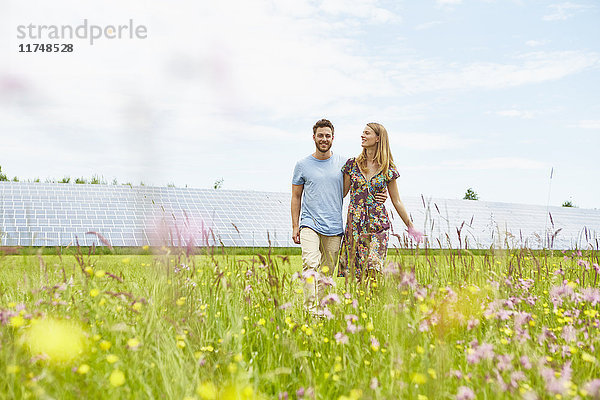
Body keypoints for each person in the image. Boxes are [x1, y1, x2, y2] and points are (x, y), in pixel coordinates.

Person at [291, 119, 387, 312]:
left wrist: (380, 193)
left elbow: (360, 184)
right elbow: (296, 196)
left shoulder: (345, 164)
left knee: (327, 272)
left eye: (327, 136)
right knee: (311, 263)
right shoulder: (302, 165)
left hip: (334, 227)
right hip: (309, 223)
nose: (324, 139)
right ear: (314, 137)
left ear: (333, 138)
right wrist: (295, 226)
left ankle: (321, 311)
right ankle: (310, 310)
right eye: (320, 135)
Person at [339, 122, 422, 280]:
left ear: (378, 138)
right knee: (356, 276)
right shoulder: (352, 165)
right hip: (355, 227)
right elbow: (341, 194)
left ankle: (374, 300)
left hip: (378, 226)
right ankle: (362, 304)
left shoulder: (387, 169)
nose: (362, 135)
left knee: (374, 269)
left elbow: (396, 200)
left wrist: (411, 226)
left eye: (367, 133)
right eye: (363, 132)